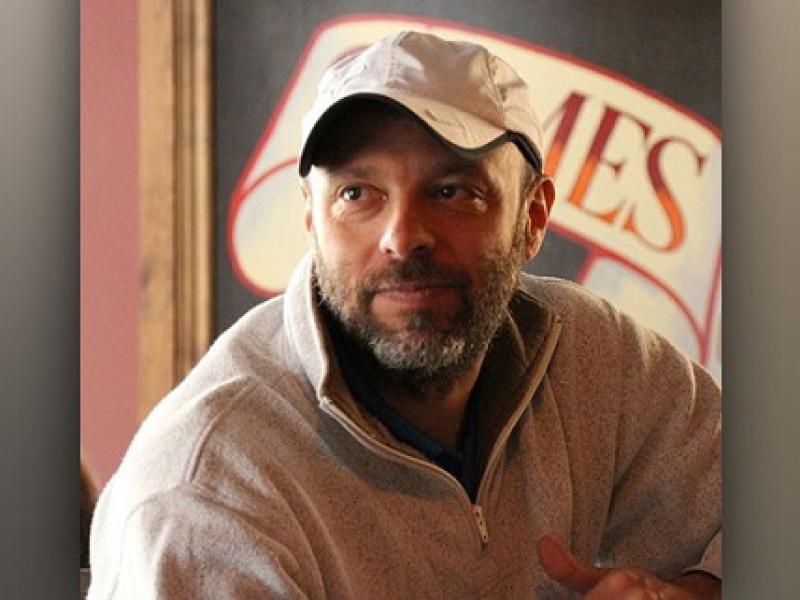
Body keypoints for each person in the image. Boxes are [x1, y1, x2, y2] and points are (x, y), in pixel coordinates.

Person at [88, 31, 721, 599]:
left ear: (532, 216)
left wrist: (692, 591)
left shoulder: (594, 356)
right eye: (356, 194)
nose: (403, 236)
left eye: (451, 192)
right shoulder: (208, 493)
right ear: (311, 219)